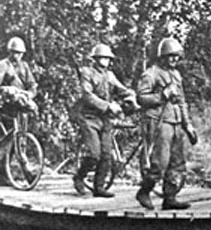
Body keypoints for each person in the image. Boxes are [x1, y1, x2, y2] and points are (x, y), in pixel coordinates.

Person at [135, 37, 198, 210]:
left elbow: (182, 101)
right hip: (160, 121)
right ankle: (144, 191)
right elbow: (141, 98)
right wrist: (162, 95)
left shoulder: (176, 75)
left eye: (177, 57)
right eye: (171, 56)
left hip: (176, 122)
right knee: (160, 162)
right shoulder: (151, 74)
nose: (174, 60)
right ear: (162, 57)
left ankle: (169, 197)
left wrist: (188, 125)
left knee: (177, 163)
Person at [72, 43, 137, 197]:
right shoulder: (87, 73)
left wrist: (132, 97)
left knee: (107, 154)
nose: (105, 61)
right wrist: (108, 106)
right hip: (88, 117)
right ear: (95, 59)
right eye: (102, 57)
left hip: (105, 119)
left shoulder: (109, 75)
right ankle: (79, 177)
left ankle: (99, 187)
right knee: (95, 154)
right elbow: (87, 95)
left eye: (107, 58)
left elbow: (122, 90)